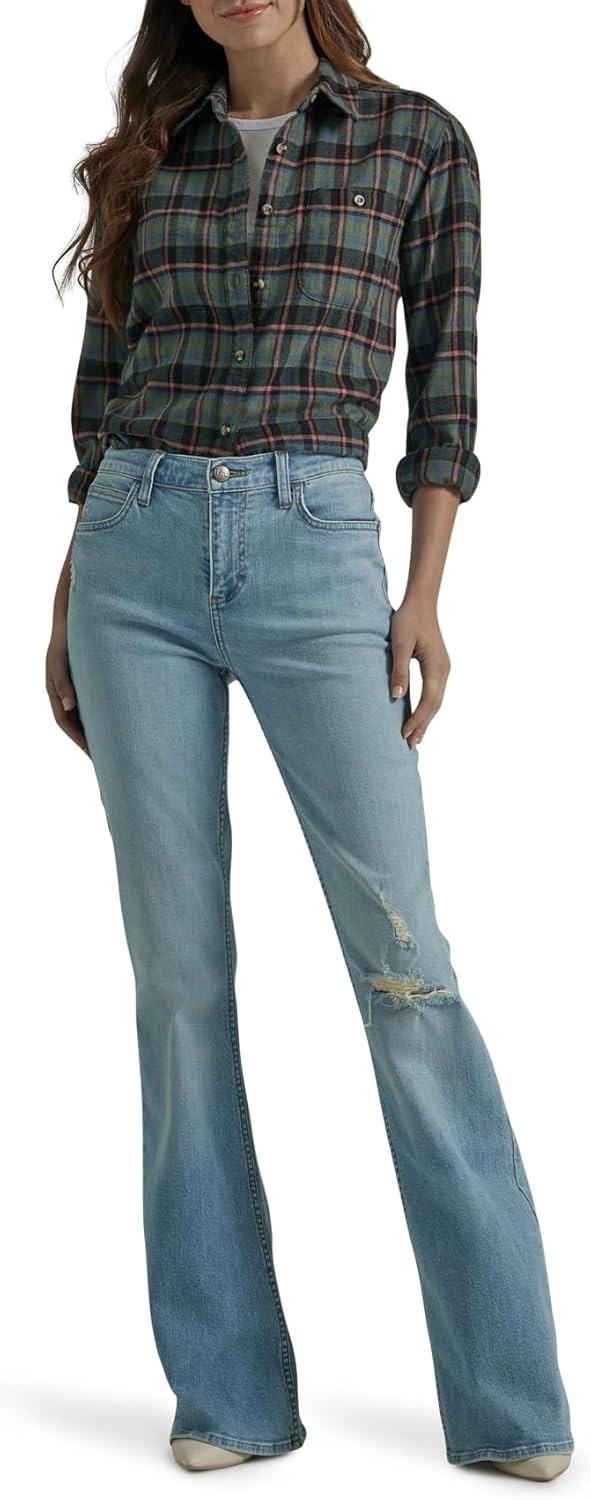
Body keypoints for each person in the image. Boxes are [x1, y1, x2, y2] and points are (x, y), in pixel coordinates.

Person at [46, 0, 574, 1479]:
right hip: (135, 553)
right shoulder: (147, 151)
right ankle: (226, 1391)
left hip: (315, 544)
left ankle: (511, 1403)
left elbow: (448, 388)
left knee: (407, 973)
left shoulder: (419, 142)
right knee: (178, 986)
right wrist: (71, 589)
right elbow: (103, 396)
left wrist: (423, 595)